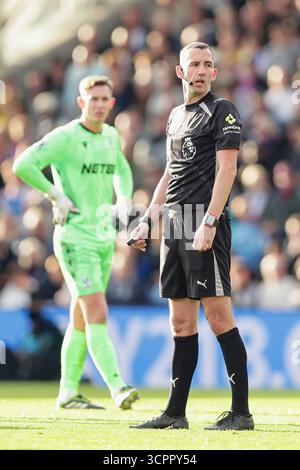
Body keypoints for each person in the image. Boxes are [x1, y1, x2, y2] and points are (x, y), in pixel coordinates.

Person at [129, 42, 254, 430]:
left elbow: (228, 170)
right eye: (194, 64)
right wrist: (147, 218)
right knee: (181, 323)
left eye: (207, 65)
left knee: (218, 317)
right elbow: (170, 172)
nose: (201, 70)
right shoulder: (174, 116)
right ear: (180, 73)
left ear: (214, 73)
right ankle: (175, 413)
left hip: (204, 223)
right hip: (175, 225)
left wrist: (211, 221)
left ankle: (241, 413)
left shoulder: (222, 111)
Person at [13, 75, 138, 410]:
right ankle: (118, 386)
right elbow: (22, 164)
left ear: (112, 103)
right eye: (92, 98)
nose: (98, 104)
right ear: (81, 102)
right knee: (97, 310)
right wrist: (54, 195)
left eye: (104, 99)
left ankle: (68, 391)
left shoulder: (111, 136)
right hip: (73, 238)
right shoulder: (66, 137)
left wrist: (124, 198)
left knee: (81, 317)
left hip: (102, 238)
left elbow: (122, 169)